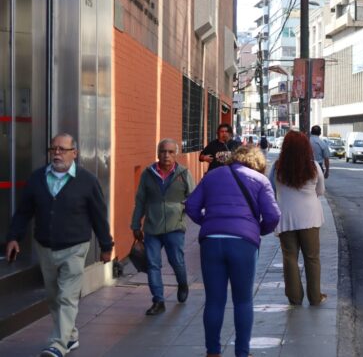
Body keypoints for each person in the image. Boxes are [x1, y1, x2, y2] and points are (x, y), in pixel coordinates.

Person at [5, 133, 114, 357]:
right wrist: (13, 237)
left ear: (75, 153)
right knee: (54, 296)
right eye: (53, 149)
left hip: (75, 247)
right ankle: (70, 335)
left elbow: (99, 216)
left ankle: (58, 344)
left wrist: (106, 245)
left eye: (62, 149)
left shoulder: (87, 181)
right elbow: (24, 212)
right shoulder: (37, 179)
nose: (57, 153)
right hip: (45, 247)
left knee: (67, 296)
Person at [185, 146, 280, 357]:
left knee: (214, 300)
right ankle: (242, 353)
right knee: (243, 300)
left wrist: (209, 223)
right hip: (243, 243)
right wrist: (257, 230)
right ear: (258, 164)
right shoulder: (260, 180)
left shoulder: (213, 175)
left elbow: (191, 206)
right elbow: (273, 216)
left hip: (211, 241)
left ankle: (213, 352)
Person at [131, 138, 195, 316]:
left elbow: (194, 197)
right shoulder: (148, 174)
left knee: (177, 261)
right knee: (152, 264)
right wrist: (135, 224)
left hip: (175, 227)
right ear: (158, 153)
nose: (166, 155)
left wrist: (184, 209)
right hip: (152, 227)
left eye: (170, 152)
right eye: (163, 151)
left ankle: (182, 284)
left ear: (176, 154)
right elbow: (140, 201)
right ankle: (158, 301)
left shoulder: (183, 174)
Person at [270, 131, 327, 306]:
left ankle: (295, 297)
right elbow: (321, 191)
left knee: (289, 257)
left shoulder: (277, 166)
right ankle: (315, 297)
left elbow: (271, 188)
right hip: (310, 217)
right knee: (312, 257)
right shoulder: (313, 167)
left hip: (286, 216)